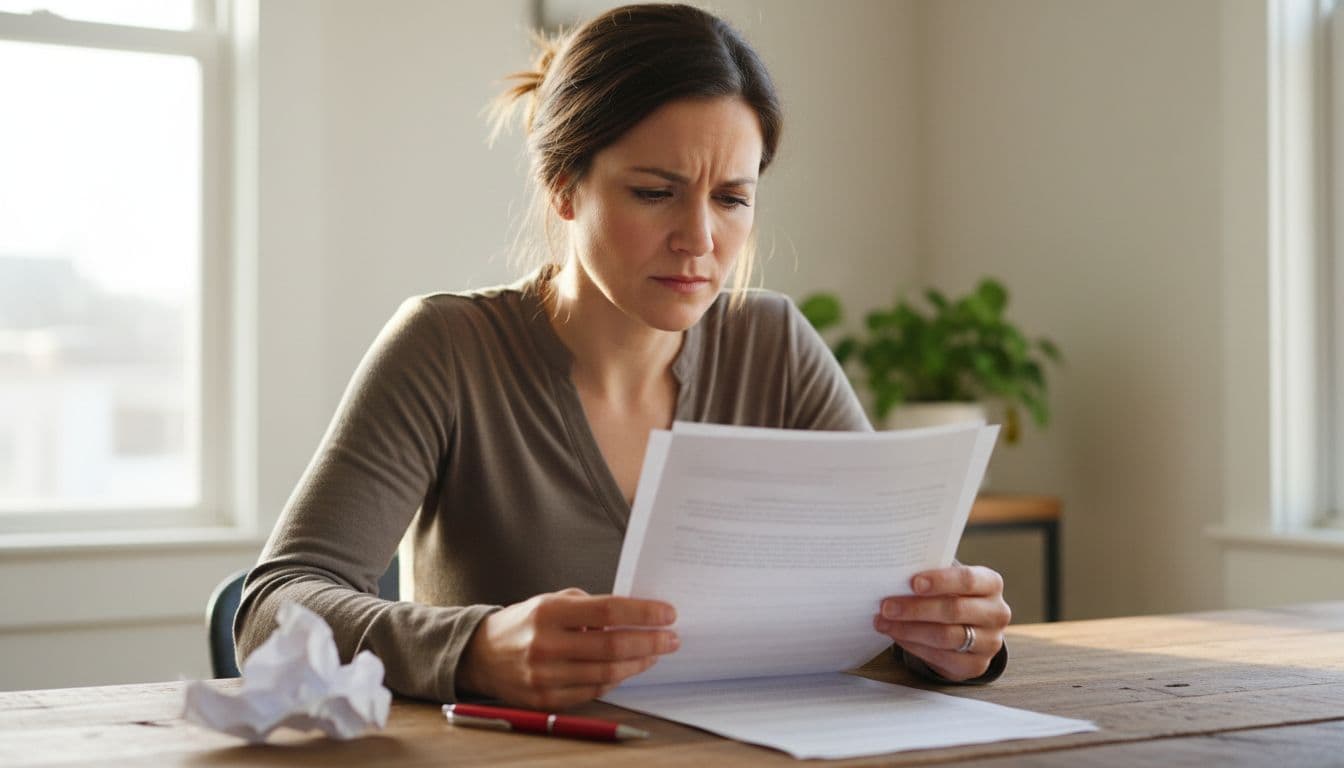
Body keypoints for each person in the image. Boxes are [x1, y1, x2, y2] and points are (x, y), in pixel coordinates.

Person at [235, 3, 1011, 709]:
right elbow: (272, 611)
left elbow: (885, 605)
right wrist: (472, 650)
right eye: (654, 191)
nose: (701, 240)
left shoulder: (772, 346)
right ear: (564, 186)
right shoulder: (446, 349)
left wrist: (951, 641)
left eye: (732, 198)